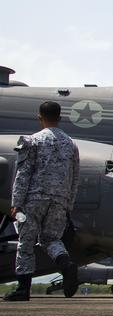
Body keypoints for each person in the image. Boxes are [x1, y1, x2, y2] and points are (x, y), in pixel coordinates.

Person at [4, 101, 80, 301]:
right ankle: (66, 264)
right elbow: (75, 177)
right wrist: (68, 205)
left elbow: (23, 174)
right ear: (60, 118)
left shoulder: (31, 141)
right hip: (59, 200)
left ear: (40, 117)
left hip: (33, 200)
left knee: (26, 242)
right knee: (51, 239)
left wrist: (16, 203)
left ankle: (22, 289)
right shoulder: (71, 144)